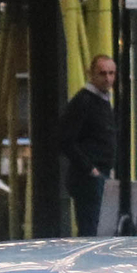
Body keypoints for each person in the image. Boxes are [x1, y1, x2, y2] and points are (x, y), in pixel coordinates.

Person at [58, 54, 119, 238]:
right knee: (91, 229)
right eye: (102, 73)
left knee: (102, 229)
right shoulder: (83, 101)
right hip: (90, 177)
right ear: (91, 74)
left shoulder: (103, 100)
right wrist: (90, 169)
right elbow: (65, 141)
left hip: (101, 173)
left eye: (111, 73)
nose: (108, 78)